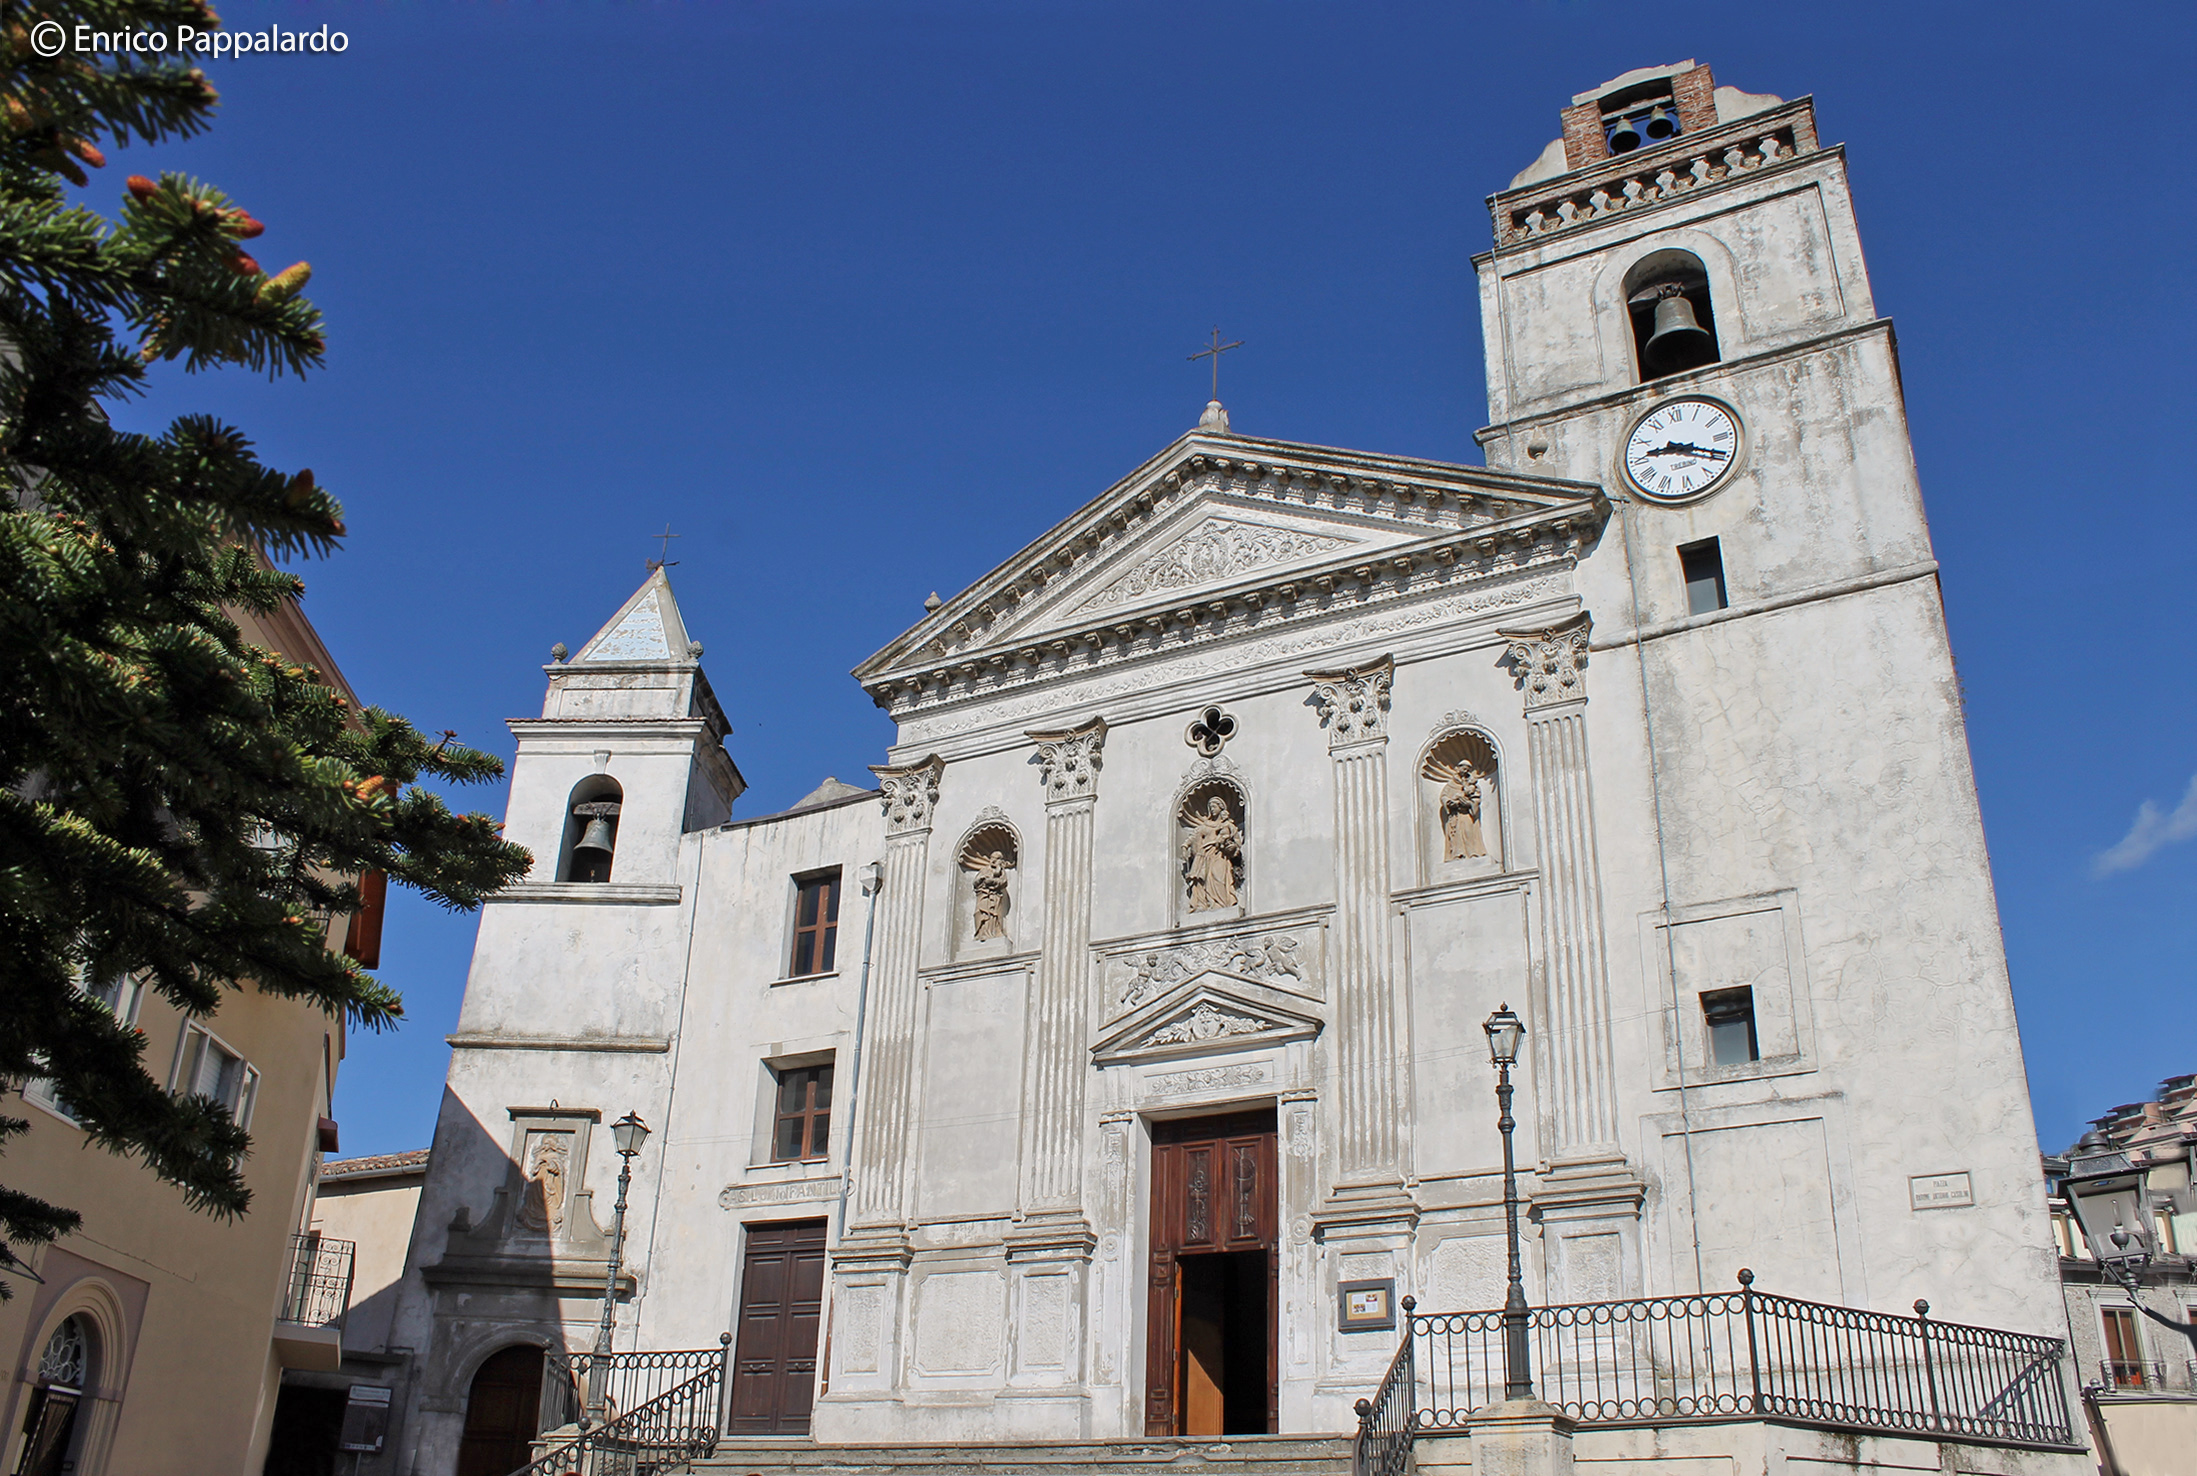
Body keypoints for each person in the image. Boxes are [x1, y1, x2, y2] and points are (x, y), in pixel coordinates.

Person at [1183, 795, 1243, 911]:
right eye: (1210, 807)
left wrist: (1232, 847)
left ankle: (1221, 903)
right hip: (1204, 854)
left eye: (1214, 806)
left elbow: (1236, 841)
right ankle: (1202, 904)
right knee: (1202, 879)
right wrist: (1185, 845)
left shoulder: (1227, 825)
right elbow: (1194, 836)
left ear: (1221, 808)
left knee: (1218, 877)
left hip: (1220, 854)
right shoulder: (1205, 825)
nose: (1212, 809)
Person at [1431, 758, 1488, 860]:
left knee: (1469, 832)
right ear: (1458, 769)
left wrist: (1470, 804)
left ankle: (1473, 852)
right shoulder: (1451, 785)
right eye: (1463, 768)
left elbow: (1476, 798)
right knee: (1456, 834)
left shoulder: (1472, 784)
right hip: (1456, 815)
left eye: (1467, 769)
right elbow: (1444, 796)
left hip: (1467, 814)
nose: (1465, 771)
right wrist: (1450, 803)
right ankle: (1458, 854)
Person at [964, 848, 1012, 941]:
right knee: (980, 913)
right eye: (992, 858)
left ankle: (993, 932)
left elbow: (1003, 882)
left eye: (996, 858)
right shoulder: (984, 870)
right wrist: (981, 879)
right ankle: (981, 932)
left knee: (994, 915)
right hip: (983, 895)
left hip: (994, 896)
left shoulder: (1001, 871)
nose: (993, 860)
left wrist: (992, 881)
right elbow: (975, 882)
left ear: (1000, 860)